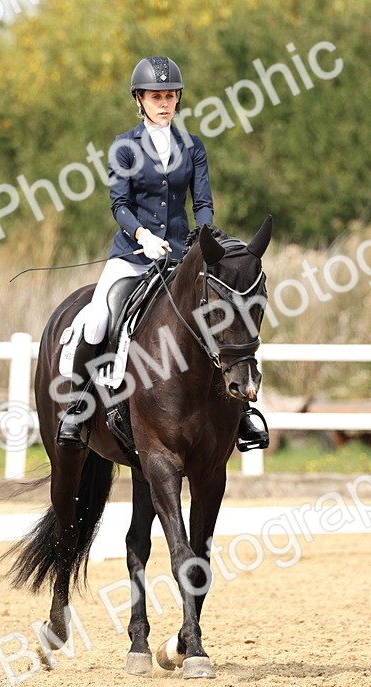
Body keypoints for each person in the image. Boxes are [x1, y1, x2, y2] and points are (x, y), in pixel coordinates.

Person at [56, 55, 269, 452]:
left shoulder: (193, 147)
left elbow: (202, 202)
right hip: (132, 256)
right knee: (98, 320)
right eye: (156, 96)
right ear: (139, 100)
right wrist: (140, 234)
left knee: (222, 319)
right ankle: (78, 408)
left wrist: (201, 237)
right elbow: (119, 203)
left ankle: (242, 414)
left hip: (180, 257)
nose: (164, 103)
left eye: (170, 96)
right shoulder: (124, 146)